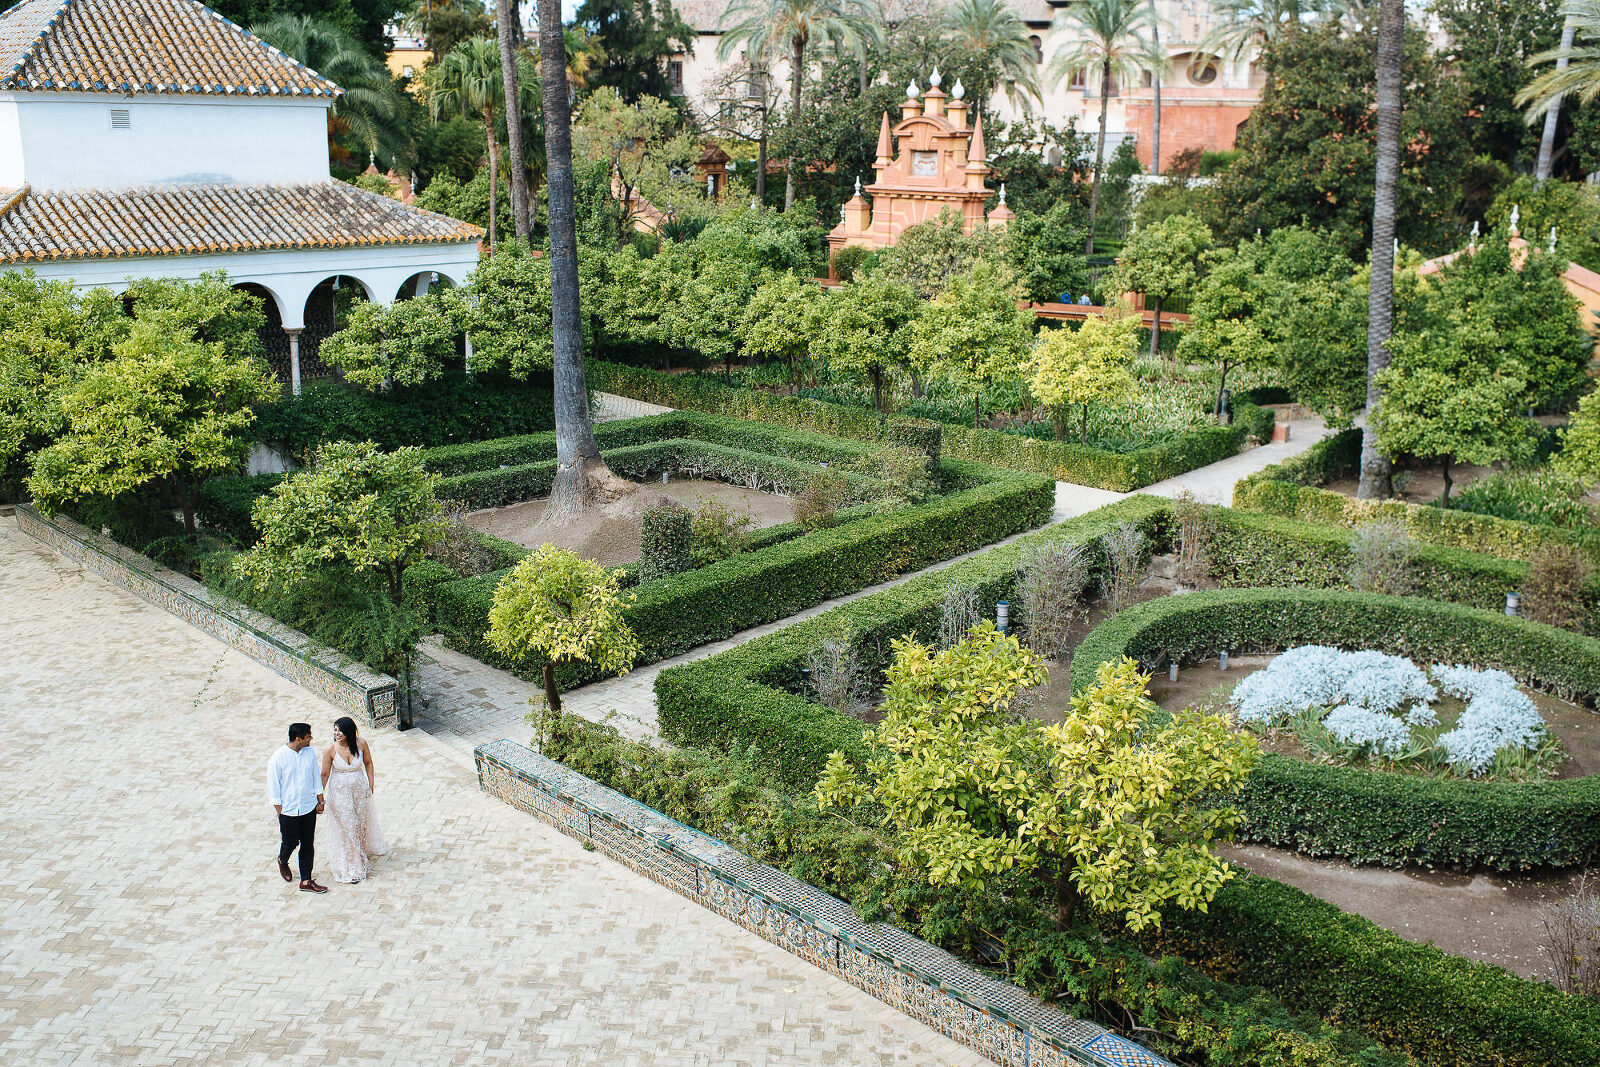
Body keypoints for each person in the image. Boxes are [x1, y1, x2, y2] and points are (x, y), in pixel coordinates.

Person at [321, 716, 386, 884]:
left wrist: (371, 785)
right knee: (347, 825)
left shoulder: (361, 744)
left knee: (359, 823)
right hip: (339, 795)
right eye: (334, 730)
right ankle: (353, 864)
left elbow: (369, 763)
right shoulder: (330, 748)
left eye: (339, 730)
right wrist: (319, 796)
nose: (336, 733)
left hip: (359, 793)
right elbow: (325, 773)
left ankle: (360, 850)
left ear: (349, 731)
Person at [268, 722, 327, 894]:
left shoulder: (309, 753)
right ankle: (282, 860)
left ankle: (306, 880)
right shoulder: (278, 758)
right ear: (298, 739)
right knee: (290, 842)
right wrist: (280, 813)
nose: (311, 738)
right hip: (288, 810)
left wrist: (320, 801)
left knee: (308, 843)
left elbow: (316, 777)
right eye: (308, 736)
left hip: (308, 807)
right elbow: (273, 788)